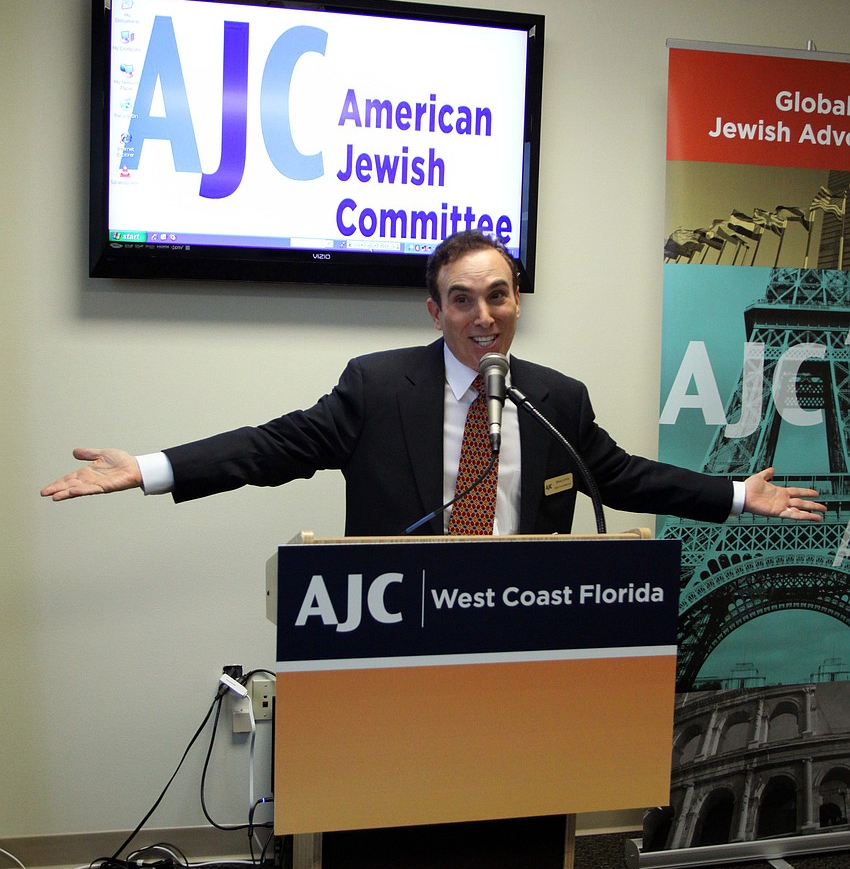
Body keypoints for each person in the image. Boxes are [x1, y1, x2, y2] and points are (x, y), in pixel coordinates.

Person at [41, 230, 825, 533]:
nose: (483, 315)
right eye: (462, 299)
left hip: (521, 625)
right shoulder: (377, 388)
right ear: (435, 308)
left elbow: (616, 477)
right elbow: (271, 447)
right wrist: (146, 468)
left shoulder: (556, 397)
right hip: (401, 627)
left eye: (498, 294)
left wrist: (732, 494)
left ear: (517, 300)